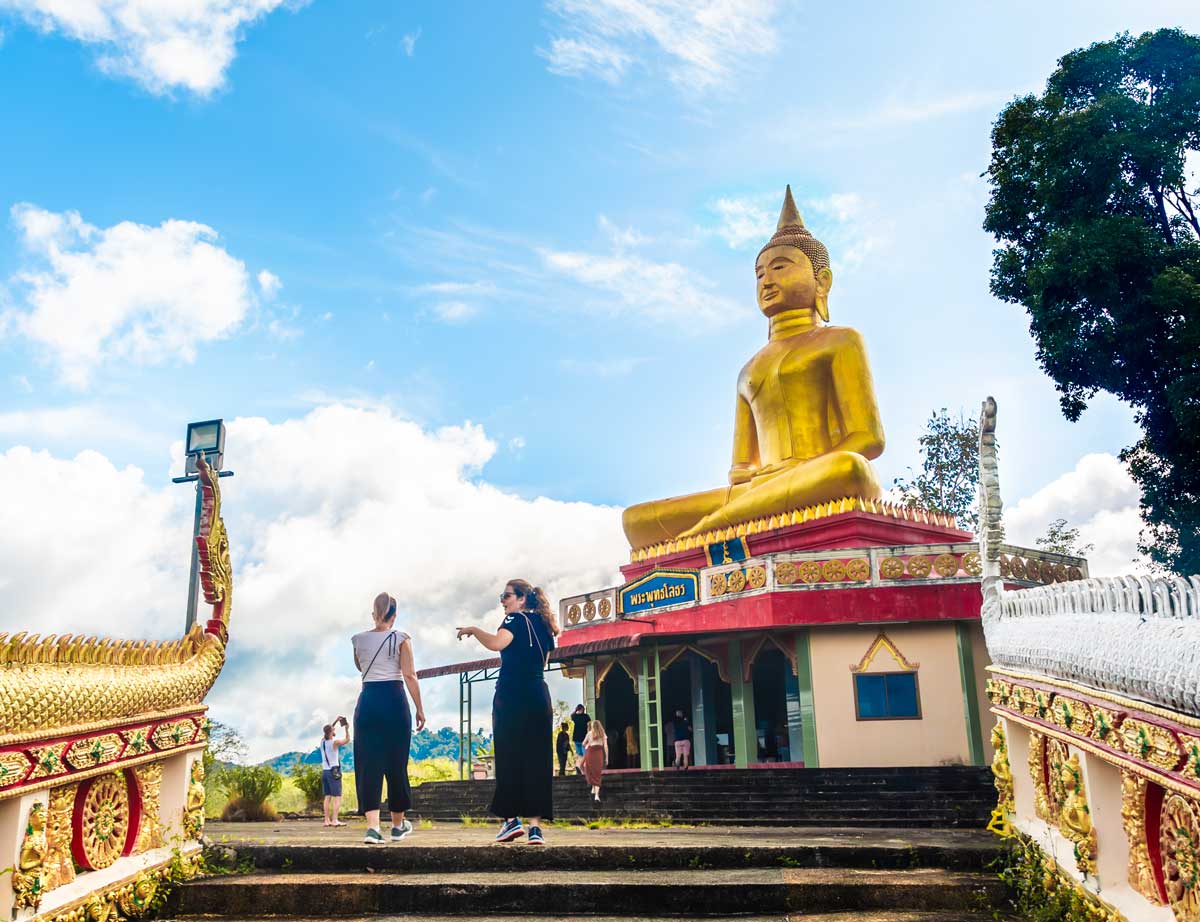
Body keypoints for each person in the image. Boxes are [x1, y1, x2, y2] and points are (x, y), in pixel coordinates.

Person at [457, 579, 559, 845]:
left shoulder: (514, 621)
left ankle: (511, 820)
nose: (503, 601)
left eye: (507, 596)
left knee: (509, 756)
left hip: (512, 696)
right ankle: (535, 828)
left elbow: (496, 644)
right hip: (538, 695)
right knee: (537, 760)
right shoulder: (545, 627)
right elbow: (543, 661)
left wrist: (473, 630)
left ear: (522, 599)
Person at [352, 592, 426, 845]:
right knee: (396, 764)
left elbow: (361, 668)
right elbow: (409, 675)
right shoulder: (402, 638)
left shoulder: (358, 640)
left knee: (368, 765)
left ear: (373, 613)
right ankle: (397, 826)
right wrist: (419, 708)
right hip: (394, 700)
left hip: (369, 700)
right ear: (394, 615)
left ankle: (373, 828)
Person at [320, 716, 350, 826]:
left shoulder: (322, 742)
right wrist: (347, 729)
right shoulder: (335, 743)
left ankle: (326, 820)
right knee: (337, 796)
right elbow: (347, 740)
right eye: (334, 730)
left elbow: (328, 729)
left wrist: (337, 721)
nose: (334, 731)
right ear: (331, 732)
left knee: (327, 797)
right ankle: (335, 820)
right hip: (334, 772)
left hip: (325, 772)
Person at [581, 719, 608, 802]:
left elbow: (583, 743)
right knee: (597, 774)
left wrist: (588, 744)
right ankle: (596, 795)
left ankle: (593, 789)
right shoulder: (602, 734)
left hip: (590, 753)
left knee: (590, 771)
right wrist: (606, 758)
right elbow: (605, 747)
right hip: (598, 754)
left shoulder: (589, 734)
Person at [570, 704, 590, 773]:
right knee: (583, 755)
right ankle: (579, 767)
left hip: (579, 738)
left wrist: (576, 710)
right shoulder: (583, 716)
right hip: (580, 738)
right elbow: (588, 726)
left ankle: (580, 768)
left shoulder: (580, 716)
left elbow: (589, 726)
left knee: (582, 755)